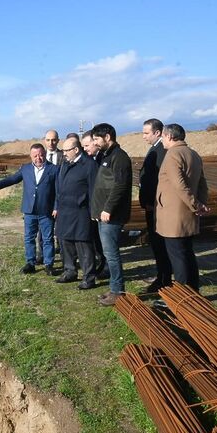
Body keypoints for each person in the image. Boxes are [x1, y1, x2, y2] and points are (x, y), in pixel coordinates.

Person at [0, 143, 58, 274]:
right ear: (31, 156)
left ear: (45, 154)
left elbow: (58, 191)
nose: (38, 158)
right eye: (35, 156)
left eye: (41, 155)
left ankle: (49, 265)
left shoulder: (53, 169)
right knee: (29, 238)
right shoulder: (25, 169)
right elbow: (13, 179)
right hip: (29, 210)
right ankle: (30, 263)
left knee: (48, 239)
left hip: (46, 211)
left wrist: (56, 207)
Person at [156, 123, 210, 291]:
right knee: (187, 254)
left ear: (170, 136)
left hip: (174, 217)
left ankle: (182, 296)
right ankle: (193, 290)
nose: (162, 140)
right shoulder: (193, 154)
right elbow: (202, 184)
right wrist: (201, 204)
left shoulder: (173, 154)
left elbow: (179, 185)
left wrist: (197, 204)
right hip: (187, 214)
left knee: (178, 258)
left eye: (163, 136)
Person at [89, 123, 132, 306]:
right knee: (108, 253)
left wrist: (107, 209)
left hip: (112, 215)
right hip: (103, 214)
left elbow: (120, 186)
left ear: (107, 137)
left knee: (112, 254)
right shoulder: (106, 155)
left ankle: (119, 291)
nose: (95, 143)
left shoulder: (120, 158)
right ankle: (115, 288)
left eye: (97, 139)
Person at [53, 137, 98, 289]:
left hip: (81, 212)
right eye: (63, 150)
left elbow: (93, 190)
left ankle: (88, 277)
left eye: (66, 150)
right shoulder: (65, 163)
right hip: (65, 210)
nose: (63, 153)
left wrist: (93, 212)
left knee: (83, 245)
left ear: (76, 150)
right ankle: (70, 271)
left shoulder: (89, 165)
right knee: (65, 242)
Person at [138, 118, 172, 293]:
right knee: (156, 244)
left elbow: (158, 181)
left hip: (156, 207)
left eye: (146, 133)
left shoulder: (161, 151)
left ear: (157, 132)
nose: (143, 136)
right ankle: (161, 274)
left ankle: (164, 279)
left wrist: (152, 202)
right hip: (151, 206)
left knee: (160, 245)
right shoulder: (155, 148)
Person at [81, 129, 108, 279]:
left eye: (87, 145)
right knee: (97, 240)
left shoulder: (103, 158)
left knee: (105, 242)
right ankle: (102, 265)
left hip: (103, 208)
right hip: (94, 208)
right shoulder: (94, 158)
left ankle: (108, 268)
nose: (85, 149)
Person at [36, 129, 64, 268]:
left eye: (53, 140)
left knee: (60, 230)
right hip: (44, 201)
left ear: (58, 140)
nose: (51, 143)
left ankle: (64, 256)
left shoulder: (64, 156)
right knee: (43, 232)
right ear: (44, 140)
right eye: (48, 140)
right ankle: (41, 255)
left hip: (60, 198)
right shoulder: (40, 157)